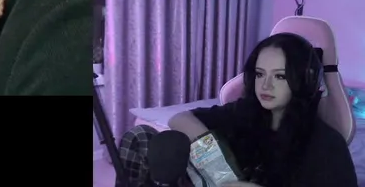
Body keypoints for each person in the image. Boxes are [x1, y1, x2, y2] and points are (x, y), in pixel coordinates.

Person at [118, 32, 356, 186]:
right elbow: (179, 119)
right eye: (260, 74)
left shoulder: (325, 146)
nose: (266, 85)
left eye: (280, 76)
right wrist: (215, 162)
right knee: (140, 137)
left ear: (304, 80)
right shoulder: (244, 112)